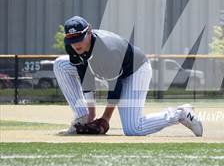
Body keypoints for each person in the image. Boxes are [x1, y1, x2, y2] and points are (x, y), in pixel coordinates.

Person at [54, 16, 203, 136]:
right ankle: (82, 117)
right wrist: (91, 114)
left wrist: (105, 119)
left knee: (133, 128)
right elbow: (84, 73)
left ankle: (180, 114)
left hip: (135, 71)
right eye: (72, 40)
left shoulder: (107, 50)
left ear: (90, 32)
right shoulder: (72, 45)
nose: (76, 44)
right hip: (104, 70)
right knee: (60, 64)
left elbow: (115, 88)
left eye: (79, 38)